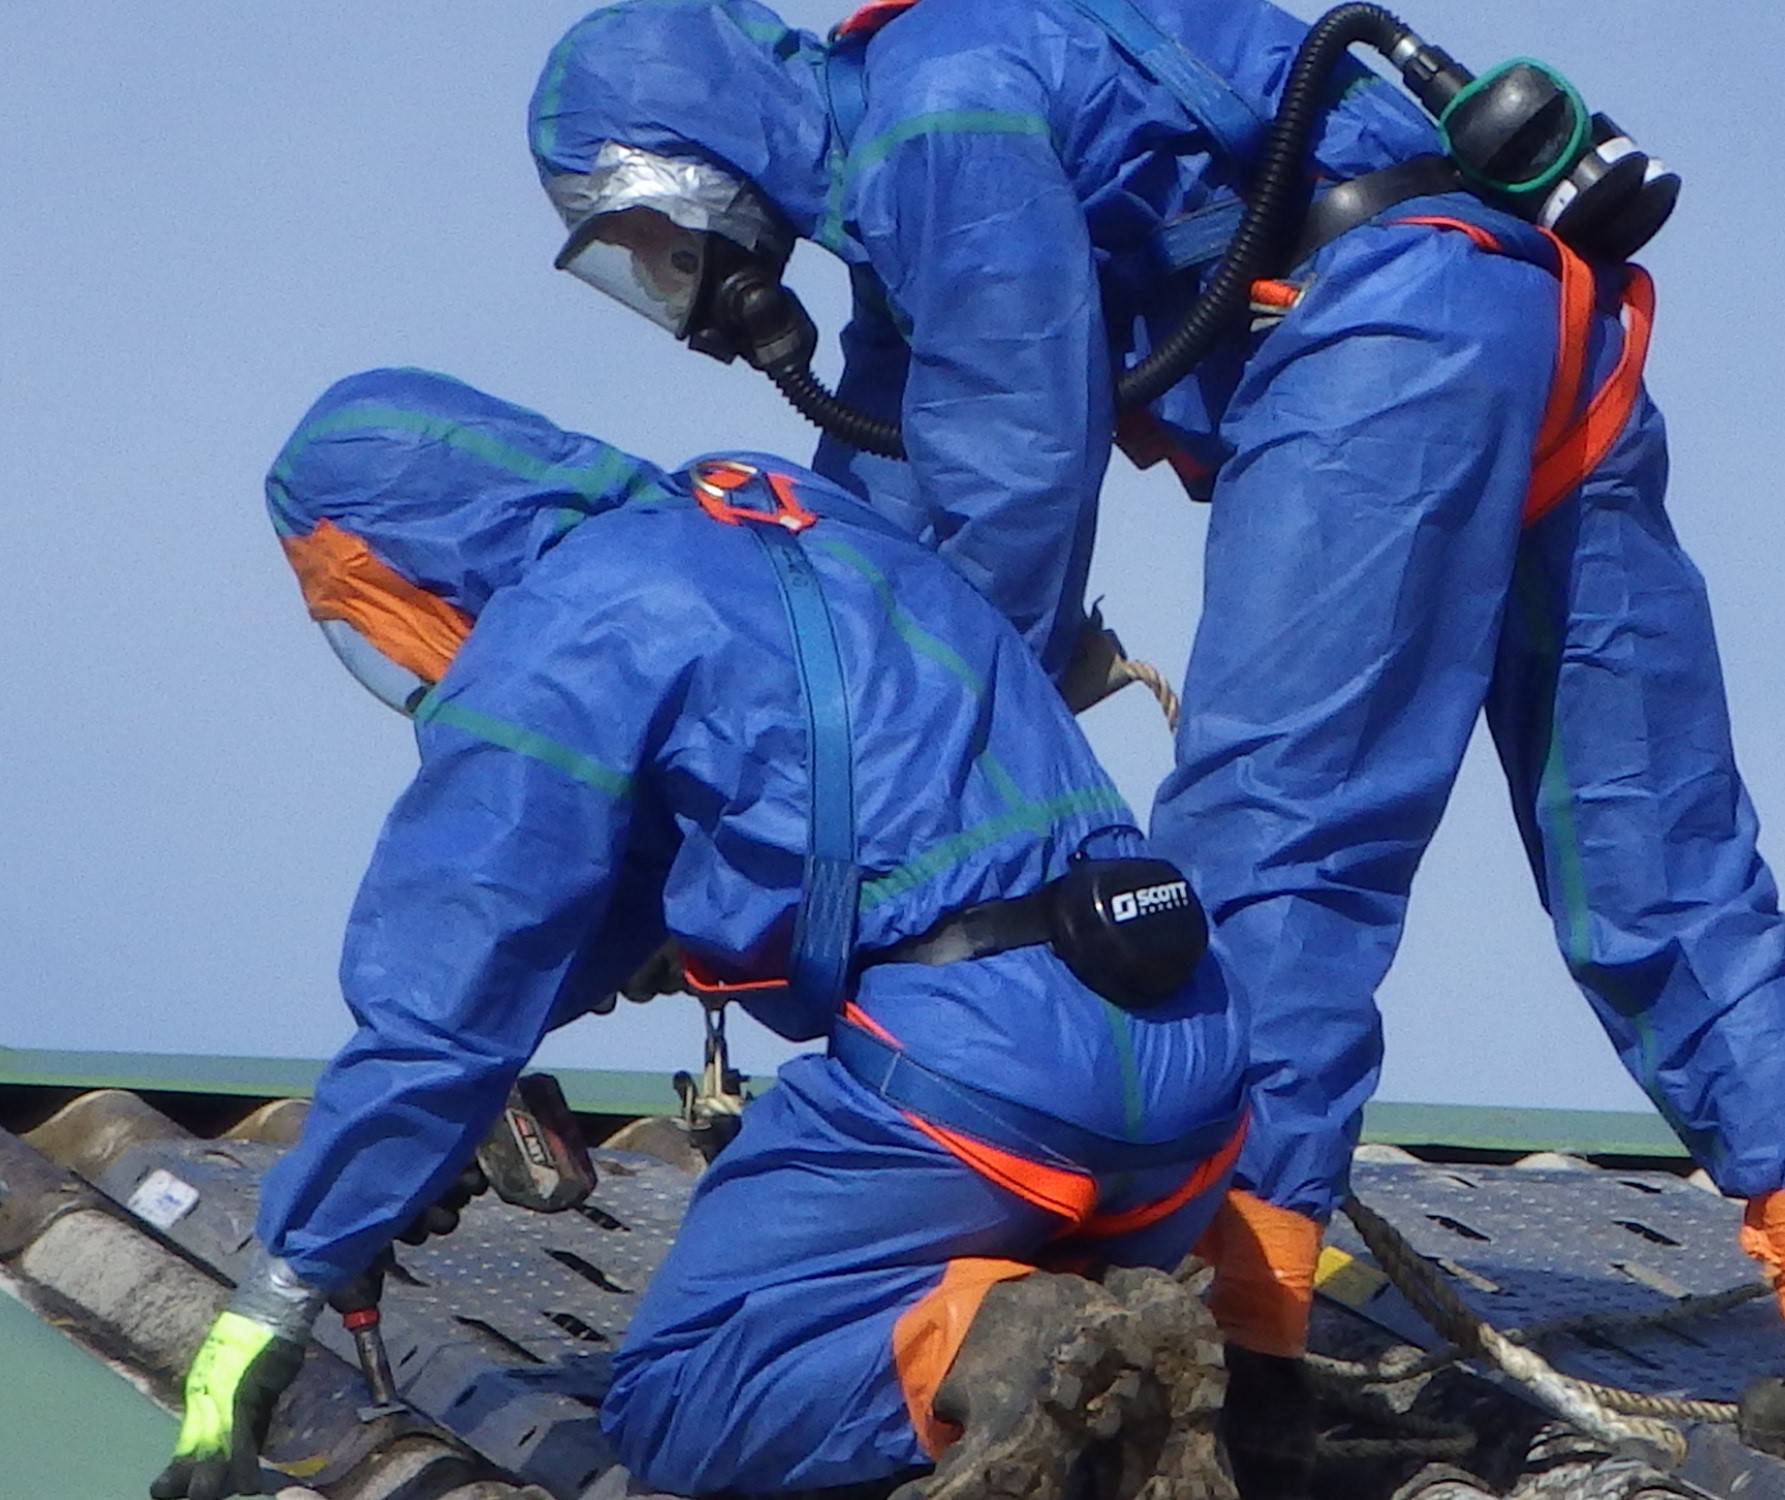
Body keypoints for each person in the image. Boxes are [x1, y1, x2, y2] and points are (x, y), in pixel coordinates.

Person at [526, 0, 1785, 1486]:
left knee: (1276, 859)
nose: (672, 281)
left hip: (1385, 343)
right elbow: (867, 538)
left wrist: (885, 758)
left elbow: (1009, 470)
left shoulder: (936, 115)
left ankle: (1251, 1375)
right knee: (1661, 855)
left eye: (646, 233)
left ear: (692, 153)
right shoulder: (925, 145)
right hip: (1540, 324)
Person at [151, 367, 1246, 1500]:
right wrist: (415, 1145)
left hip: (976, 1099)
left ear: (393, 552)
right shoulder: (784, 514)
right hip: (1193, 1089)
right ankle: (1085, 1362)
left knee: (682, 1396)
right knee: (979, 1376)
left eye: (353, 599)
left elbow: (446, 1003)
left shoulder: (561, 628)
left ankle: (996, 1343)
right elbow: (647, 899)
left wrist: (277, 1297)